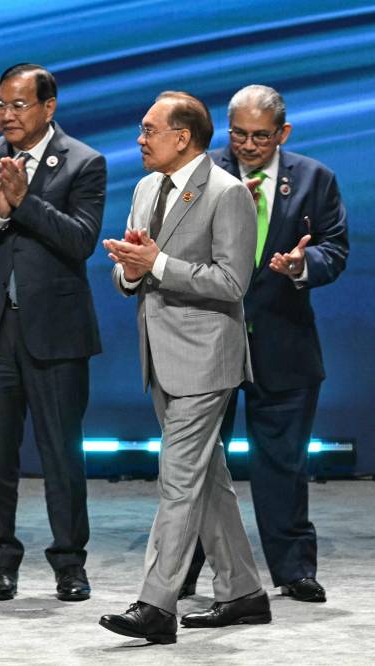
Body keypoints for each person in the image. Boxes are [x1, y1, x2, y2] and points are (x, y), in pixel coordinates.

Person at [99, 91, 269, 644]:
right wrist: (130, 269)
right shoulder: (147, 187)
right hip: (160, 355)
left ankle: (156, 605)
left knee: (177, 482)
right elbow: (132, 272)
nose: (140, 138)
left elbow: (230, 283)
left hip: (206, 360)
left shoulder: (227, 194)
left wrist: (158, 263)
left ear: (183, 137)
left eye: (150, 129)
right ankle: (243, 591)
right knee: (207, 481)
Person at [180, 85, 348, 603]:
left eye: (260, 136)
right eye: (239, 134)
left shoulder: (315, 179)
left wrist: (303, 266)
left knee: (284, 464)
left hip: (284, 341)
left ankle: (293, 569)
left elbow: (334, 249)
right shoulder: (201, 172)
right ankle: (183, 569)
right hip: (209, 340)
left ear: (283, 133)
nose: (248, 146)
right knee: (200, 463)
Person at [0, 63, 105, 602]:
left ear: (48, 107)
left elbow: (81, 240)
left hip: (57, 334)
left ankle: (69, 563)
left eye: (17, 105)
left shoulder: (85, 162)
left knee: (62, 453)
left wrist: (26, 203)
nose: (6, 115)